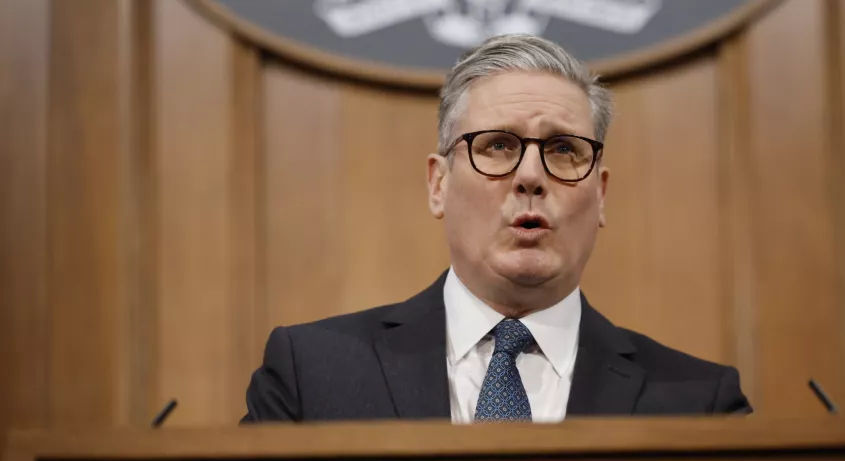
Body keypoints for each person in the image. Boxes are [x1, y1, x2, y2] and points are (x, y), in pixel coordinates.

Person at [242, 34, 751, 423]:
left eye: (563, 151)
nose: (531, 176)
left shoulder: (699, 403)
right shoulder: (311, 375)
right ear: (438, 184)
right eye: (498, 147)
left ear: (600, 194)